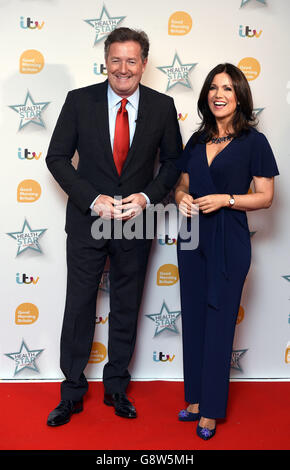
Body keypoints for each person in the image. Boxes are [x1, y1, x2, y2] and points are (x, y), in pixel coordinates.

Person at [46, 27, 182, 426]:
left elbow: (173, 163)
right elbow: (56, 157)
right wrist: (91, 198)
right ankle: (71, 392)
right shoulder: (78, 101)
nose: (124, 68)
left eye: (132, 60)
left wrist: (145, 198)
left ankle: (117, 388)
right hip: (89, 223)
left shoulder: (162, 106)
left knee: (126, 306)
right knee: (79, 307)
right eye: (116, 59)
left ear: (144, 63)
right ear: (106, 60)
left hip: (136, 224)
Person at [174, 63, 279, 440]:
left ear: (239, 97)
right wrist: (183, 199)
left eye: (228, 89)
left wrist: (227, 199)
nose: (219, 95)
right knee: (195, 319)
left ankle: (212, 410)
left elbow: (266, 197)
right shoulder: (197, 140)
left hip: (229, 241)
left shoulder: (255, 142)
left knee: (219, 321)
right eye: (214, 88)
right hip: (191, 238)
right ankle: (196, 399)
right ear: (206, 95)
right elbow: (182, 185)